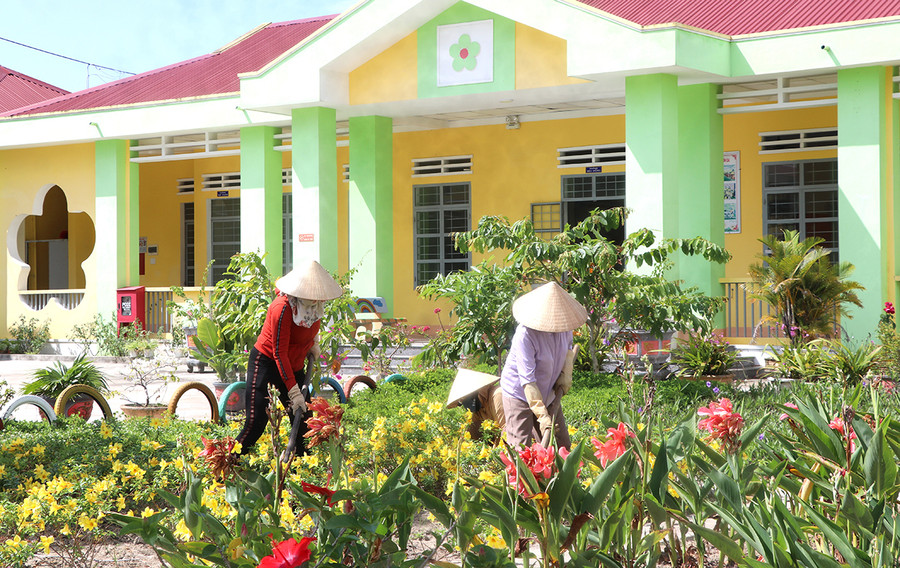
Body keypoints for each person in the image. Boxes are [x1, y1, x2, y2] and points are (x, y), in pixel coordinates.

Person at [236, 259, 343, 458]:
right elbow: (279, 352)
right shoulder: (282, 308)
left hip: (293, 364)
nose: (316, 299)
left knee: (303, 421)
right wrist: (294, 392)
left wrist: (313, 344)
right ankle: (228, 463)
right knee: (256, 421)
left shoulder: (314, 307)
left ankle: (298, 473)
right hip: (267, 363)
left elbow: (310, 328)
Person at [500, 281, 586, 450]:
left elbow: (569, 350)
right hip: (520, 393)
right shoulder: (526, 335)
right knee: (521, 449)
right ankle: (521, 476)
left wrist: (566, 373)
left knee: (562, 446)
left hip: (549, 392)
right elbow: (527, 381)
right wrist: (542, 416)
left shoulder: (565, 328)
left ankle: (556, 476)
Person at [446, 368, 506, 441]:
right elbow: (469, 431)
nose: (463, 403)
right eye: (460, 402)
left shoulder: (497, 396)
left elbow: (506, 431)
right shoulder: (479, 409)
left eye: (464, 398)